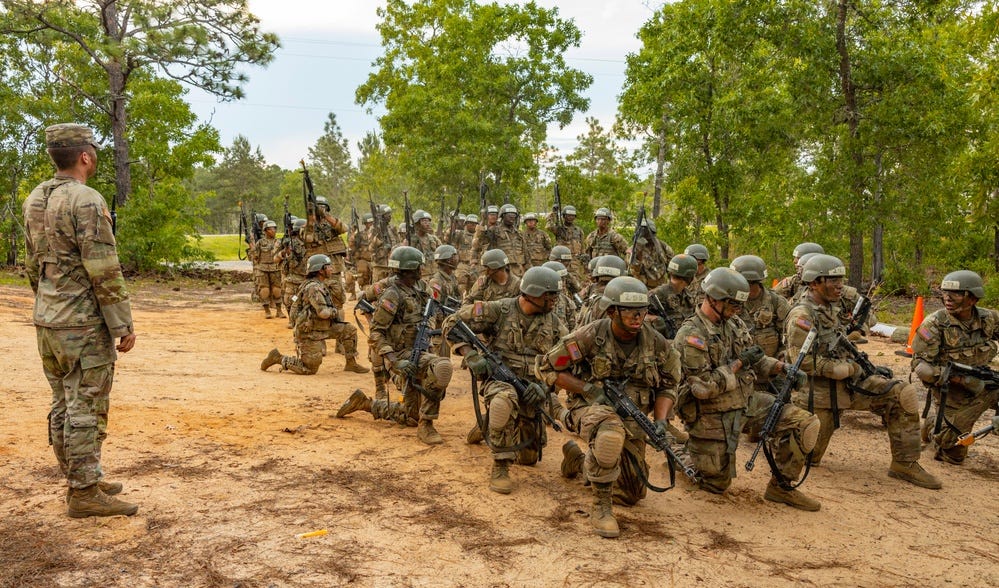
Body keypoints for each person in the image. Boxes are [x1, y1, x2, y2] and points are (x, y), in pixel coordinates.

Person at [23, 123, 138, 518]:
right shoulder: (87, 200)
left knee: (62, 403)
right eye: (93, 148)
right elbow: (104, 268)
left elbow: (32, 264)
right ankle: (84, 491)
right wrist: (122, 323)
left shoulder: (35, 198)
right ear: (85, 156)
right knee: (86, 406)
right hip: (82, 325)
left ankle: (81, 474)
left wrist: (47, 305)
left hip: (48, 320)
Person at [538, 276, 681, 538]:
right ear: (612, 310)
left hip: (633, 417)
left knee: (632, 492)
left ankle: (578, 461)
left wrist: (660, 421)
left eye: (642, 311)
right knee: (610, 435)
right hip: (591, 408)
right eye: (630, 311)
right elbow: (547, 367)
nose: (638, 317)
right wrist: (588, 389)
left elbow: (669, 385)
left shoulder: (657, 343)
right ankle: (601, 507)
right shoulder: (589, 336)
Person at [785, 254, 941, 489]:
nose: (840, 285)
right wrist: (837, 368)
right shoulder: (802, 315)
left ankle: (905, 463)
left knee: (902, 393)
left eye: (841, 279)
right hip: (818, 394)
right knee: (808, 457)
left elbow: (860, 323)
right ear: (814, 283)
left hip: (850, 384)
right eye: (832, 280)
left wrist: (851, 355)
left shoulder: (834, 308)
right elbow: (799, 360)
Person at [674, 268, 821, 510]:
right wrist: (739, 363)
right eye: (733, 303)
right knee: (715, 484)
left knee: (805, 423)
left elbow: (756, 359)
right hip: (711, 415)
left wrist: (782, 368)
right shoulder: (692, 335)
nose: (738, 309)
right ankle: (681, 453)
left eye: (740, 304)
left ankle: (781, 487)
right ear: (713, 298)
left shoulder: (734, 323)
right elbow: (702, 388)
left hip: (746, 403)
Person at [447, 266, 568, 493]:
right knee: (504, 399)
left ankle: (488, 422)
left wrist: (544, 386)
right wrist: (470, 354)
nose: (555, 300)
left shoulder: (555, 326)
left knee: (529, 458)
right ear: (532, 293)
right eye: (550, 295)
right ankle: (500, 466)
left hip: (531, 391)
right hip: (500, 381)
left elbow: (564, 364)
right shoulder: (499, 310)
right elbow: (452, 322)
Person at [335, 247, 454, 445]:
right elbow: (376, 332)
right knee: (442, 366)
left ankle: (366, 404)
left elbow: (434, 311)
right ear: (410, 269)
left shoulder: (420, 288)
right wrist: (393, 361)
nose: (422, 269)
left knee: (410, 416)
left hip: (421, 350)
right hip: (401, 356)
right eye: (419, 266)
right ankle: (427, 426)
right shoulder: (392, 295)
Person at [911, 271, 999, 465]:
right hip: (951, 391)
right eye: (944, 293)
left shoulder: (988, 318)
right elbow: (921, 367)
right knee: (953, 453)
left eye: (956, 294)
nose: (947, 298)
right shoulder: (935, 324)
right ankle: (935, 425)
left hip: (984, 381)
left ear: (973, 298)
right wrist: (962, 380)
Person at [261, 254, 369, 375]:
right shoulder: (314, 288)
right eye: (328, 267)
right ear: (320, 270)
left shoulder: (319, 284)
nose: (331, 269)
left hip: (321, 327)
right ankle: (278, 358)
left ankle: (351, 363)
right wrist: (335, 312)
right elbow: (322, 313)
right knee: (310, 368)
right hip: (309, 332)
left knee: (349, 330)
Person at [729, 255, 791, 360]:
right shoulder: (729, 303)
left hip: (771, 370)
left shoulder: (777, 303)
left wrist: (781, 359)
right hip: (740, 369)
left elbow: (789, 339)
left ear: (748, 282)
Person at [647, 254, 698, 339]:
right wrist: (655, 320)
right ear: (689, 277)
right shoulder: (657, 295)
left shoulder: (688, 296)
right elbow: (638, 316)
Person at [275, 218, 309, 329]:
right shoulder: (290, 243)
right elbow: (276, 258)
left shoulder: (311, 243)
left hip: (308, 277)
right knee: (291, 300)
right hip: (294, 277)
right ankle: (292, 319)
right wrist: (285, 252)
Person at [250, 220, 284, 319]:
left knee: (277, 289)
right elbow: (255, 256)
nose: (273, 231)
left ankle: (279, 310)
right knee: (264, 290)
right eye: (271, 229)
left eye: (275, 228)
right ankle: (267, 311)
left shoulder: (279, 242)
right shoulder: (260, 243)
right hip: (263, 268)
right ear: (265, 230)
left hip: (275, 268)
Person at [628, 218, 674, 288]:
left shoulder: (663, 246)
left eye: (650, 234)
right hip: (641, 287)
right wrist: (638, 253)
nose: (648, 238)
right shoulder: (634, 249)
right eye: (645, 235)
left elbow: (672, 267)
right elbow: (632, 270)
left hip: (661, 287)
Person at [547, 204, 587, 283]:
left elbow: (582, 247)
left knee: (576, 282)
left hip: (575, 262)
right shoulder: (559, 229)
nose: (570, 218)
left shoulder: (578, 231)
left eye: (572, 216)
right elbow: (549, 226)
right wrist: (554, 213)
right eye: (568, 215)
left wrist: (584, 262)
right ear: (564, 216)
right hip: (561, 261)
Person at [408, 209, 441, 277]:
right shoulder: (410, 240)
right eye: (424, 221)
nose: (428, 223)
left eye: (428, 221)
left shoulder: (434, 239)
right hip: (419, 276)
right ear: (416, 223)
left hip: (435, 274)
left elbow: (441, 253)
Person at [452, 213, 479, 294]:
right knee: (461, 284)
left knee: (475, 286)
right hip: (462, 264)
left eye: (475, 224)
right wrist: (453, 222)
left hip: (475, 265)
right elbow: (450, 235)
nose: (473, 225)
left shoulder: (478, 236)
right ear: (466, 224)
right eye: (471, 223)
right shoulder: (460, 234)